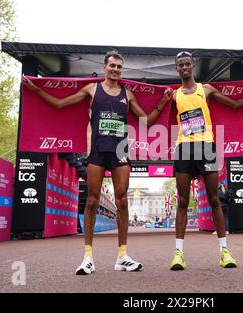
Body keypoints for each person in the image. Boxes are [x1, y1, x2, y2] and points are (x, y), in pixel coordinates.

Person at [22, 50, 172, 275]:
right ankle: (88, 257)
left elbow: (146, 122)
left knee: (122, 201)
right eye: (112, 66)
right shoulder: (92, 90)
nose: (115, 70)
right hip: (98, 151)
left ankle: (122, 256)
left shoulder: (128, 94)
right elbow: (61, 104)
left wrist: (162, 102)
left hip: (120, 151)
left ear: (122, 70)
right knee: (91, 201)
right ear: (104, 68)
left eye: (119, 67)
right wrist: (36, 89)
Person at [168, 51, 243, 270]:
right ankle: (178, 254)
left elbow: (233, 105)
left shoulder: (206, 89)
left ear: (192, 65)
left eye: (188, 63)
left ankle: (225, 251)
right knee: (183, 201)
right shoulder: (173, 95)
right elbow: (158, 112)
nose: (185, 67)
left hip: (206, 146)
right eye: (181, 65)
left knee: (214, 199)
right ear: (177, 68)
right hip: (184, 149)